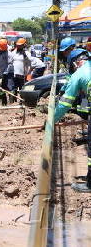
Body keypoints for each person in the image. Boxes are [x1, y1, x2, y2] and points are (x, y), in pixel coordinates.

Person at [53, 49, 90, 192]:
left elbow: (65, 104)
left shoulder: (79, 74)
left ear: (76, 62)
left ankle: (90, 184)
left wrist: (51, 120)